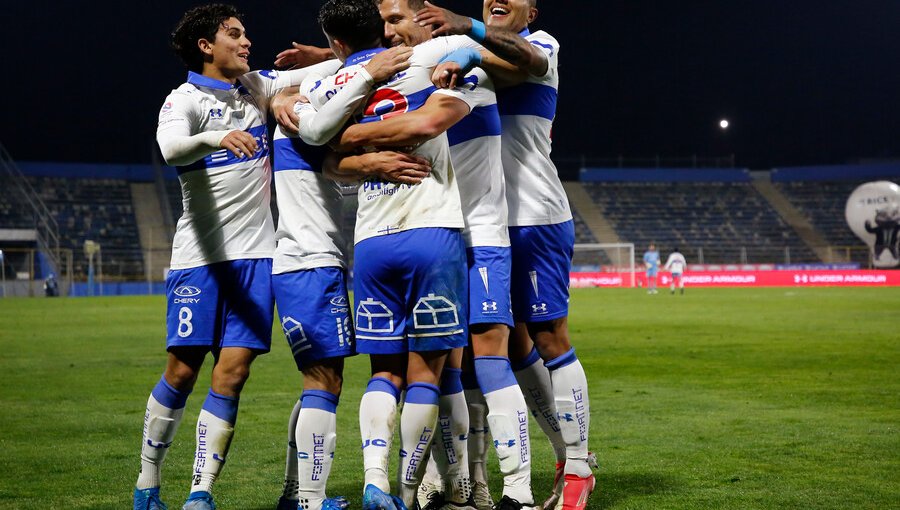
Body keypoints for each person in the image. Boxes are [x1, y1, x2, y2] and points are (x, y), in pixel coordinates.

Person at [133, 6, 362, 510]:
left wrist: (322, 53)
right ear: (204, 46)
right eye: (233, 35)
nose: (245, 41)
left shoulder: (255, 87)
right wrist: (218, 137)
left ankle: (200, 492)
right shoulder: (184, 100)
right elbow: (171, 149)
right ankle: (148, 481)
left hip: (258, 257)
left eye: (244, 33)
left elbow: (338, 67)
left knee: (232, 373)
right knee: (182, 371)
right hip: (200, 258)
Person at [415, 2, 597, 509]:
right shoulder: (471, 51)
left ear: (531, 8)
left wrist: (465, 37)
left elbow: (525, 66)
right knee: (507, 347)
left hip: (534, 214)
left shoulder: (543, 45)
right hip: (479, 220)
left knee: (548, 335)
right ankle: (546, 459)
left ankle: (578, 465)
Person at [290, 2, 469, 509]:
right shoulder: (424, 56)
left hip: (370, 242)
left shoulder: (325, 87)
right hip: (431, 229)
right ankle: (412, 492)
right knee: (427, 373)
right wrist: (460, 57)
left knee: (382, 372)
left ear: (337, 42)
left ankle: (375, 483)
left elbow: (320, 151)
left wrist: (356, 153)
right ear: (382, 30)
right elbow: (484, 51)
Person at [270, 52, 419, 510]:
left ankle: (298, 493)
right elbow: (303, 101)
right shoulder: (306, 122)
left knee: (320, 380)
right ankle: (310, 501)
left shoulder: (314, 121)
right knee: (324, 383)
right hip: (310, 263)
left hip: (309, 263)